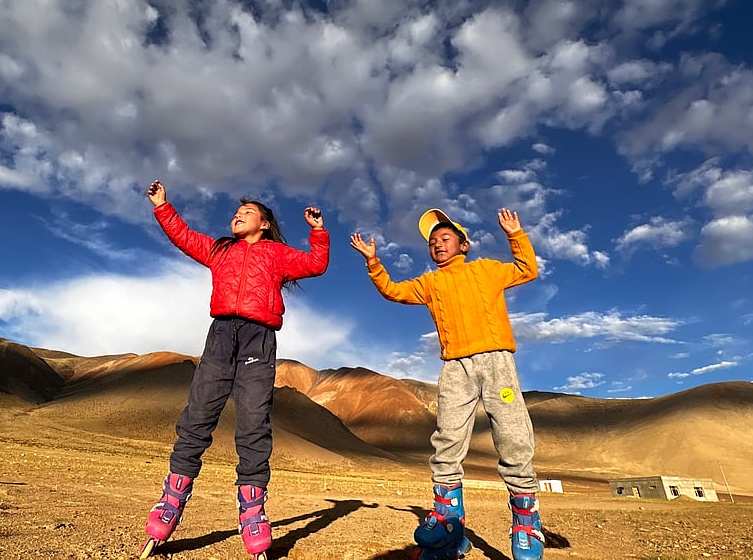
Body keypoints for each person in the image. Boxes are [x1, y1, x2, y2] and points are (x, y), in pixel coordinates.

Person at [140, 179, 329, 560]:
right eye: (236, 212)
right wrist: (163, 206)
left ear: (263, 223)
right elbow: (184, 236)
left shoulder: (277, 254)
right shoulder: (219, 250)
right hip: (221, 335)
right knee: (198, 416)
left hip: (259, 338)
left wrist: (318, 232)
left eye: (247, 212)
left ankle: (253, 511)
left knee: (253, 421)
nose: (238, 215)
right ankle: (171, 500)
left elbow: (315, 264)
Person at [350, 207, 544, 560]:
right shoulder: (430, 282)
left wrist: (516, 235)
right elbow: (393, 291)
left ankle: (525, 520)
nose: (437, 245)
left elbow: (527, 269)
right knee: (448, 437)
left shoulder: (486, 270)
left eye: (444, 238)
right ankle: (449, 523)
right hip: (455, 367)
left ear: (463, 244)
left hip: (497, 360)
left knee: (512, 434)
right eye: (432, 242)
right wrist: (373, 263)